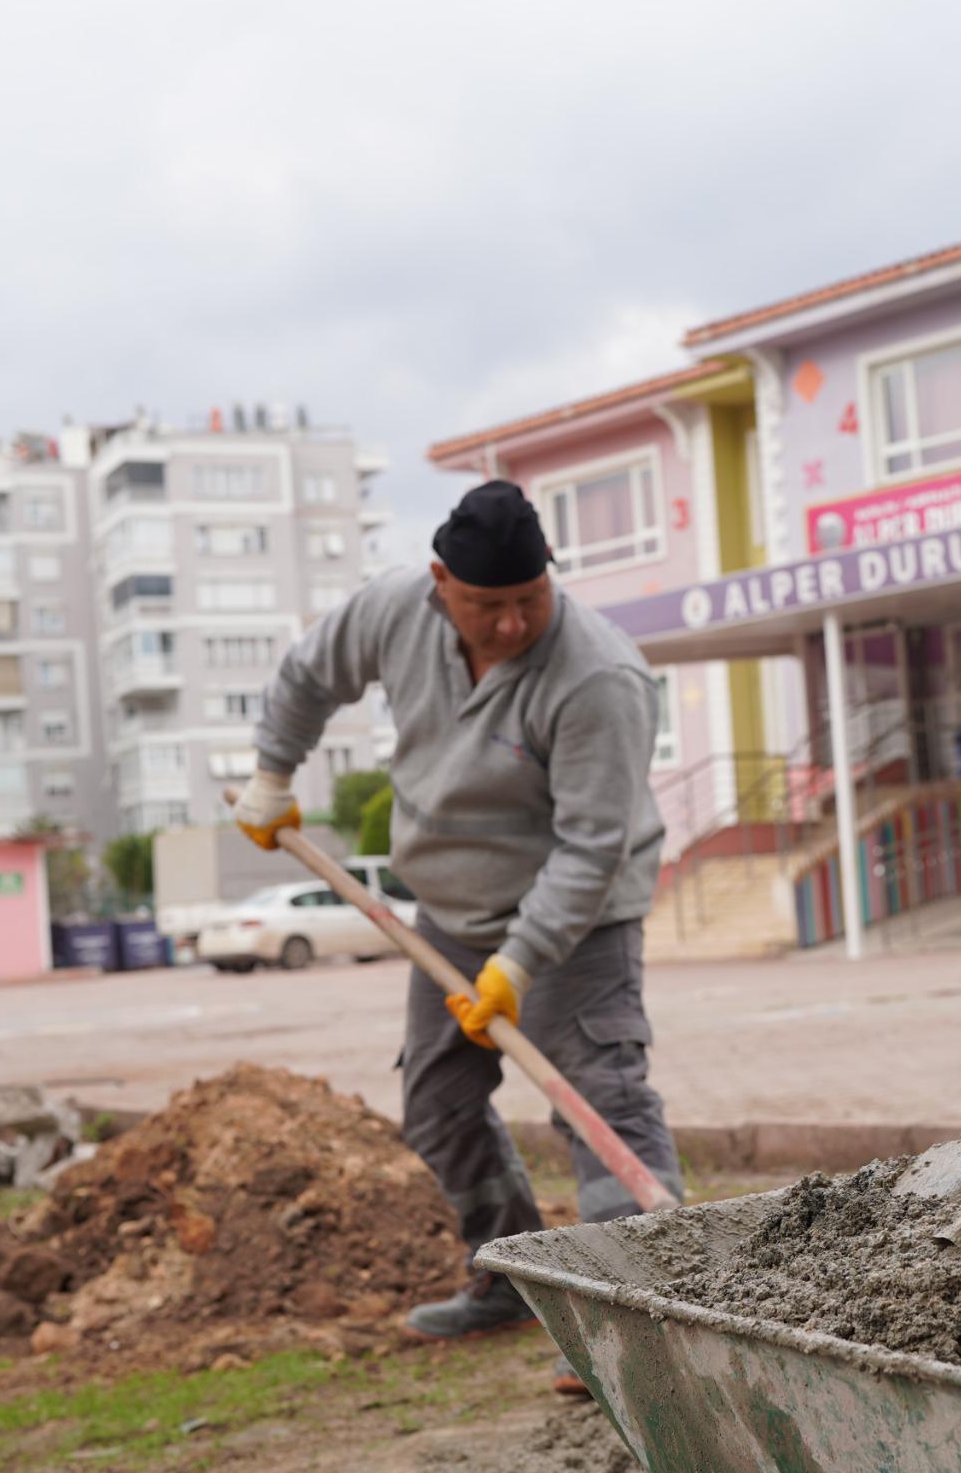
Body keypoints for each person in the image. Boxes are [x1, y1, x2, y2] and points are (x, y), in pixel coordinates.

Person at [234, 479, 682, 1394]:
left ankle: (636, 1328)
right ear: (442, 582)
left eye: (530, 600)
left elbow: (592, 845)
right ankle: (512, 1279)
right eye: (489, 606)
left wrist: (519, 963)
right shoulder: (396, 609)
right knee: (437, 1107)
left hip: (577, 920)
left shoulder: (599, 676)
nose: (513, 625)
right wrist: (273, 772)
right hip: (446, 911)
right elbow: (309, 674)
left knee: (600, 1104)